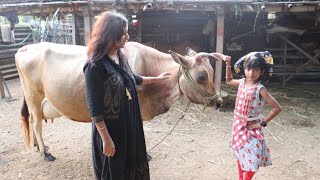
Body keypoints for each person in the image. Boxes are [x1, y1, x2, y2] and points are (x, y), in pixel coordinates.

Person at [83, 11, 171, 180]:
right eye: (124, 34)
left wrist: (156, 79)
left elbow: (132, 78)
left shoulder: (120, 56)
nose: (128, 37)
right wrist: (106, 140)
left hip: (129, 123)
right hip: (111, 131)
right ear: (111, 36)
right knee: (114, 170)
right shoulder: (94, 66)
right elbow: (94, 109)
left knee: (130, 166)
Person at [223, 52, 282, 180]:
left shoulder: (260, 89)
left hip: (251, 129)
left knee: (254, 159)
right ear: (244, 69)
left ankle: (246, 178)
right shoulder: (242, 82)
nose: (251, 73)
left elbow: (277, 108)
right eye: (248, 69)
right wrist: (228, 64)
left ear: (261, 72)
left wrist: (262, 123)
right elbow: (228, 81)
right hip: (238, 127)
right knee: (240, 154)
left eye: (255, 69)